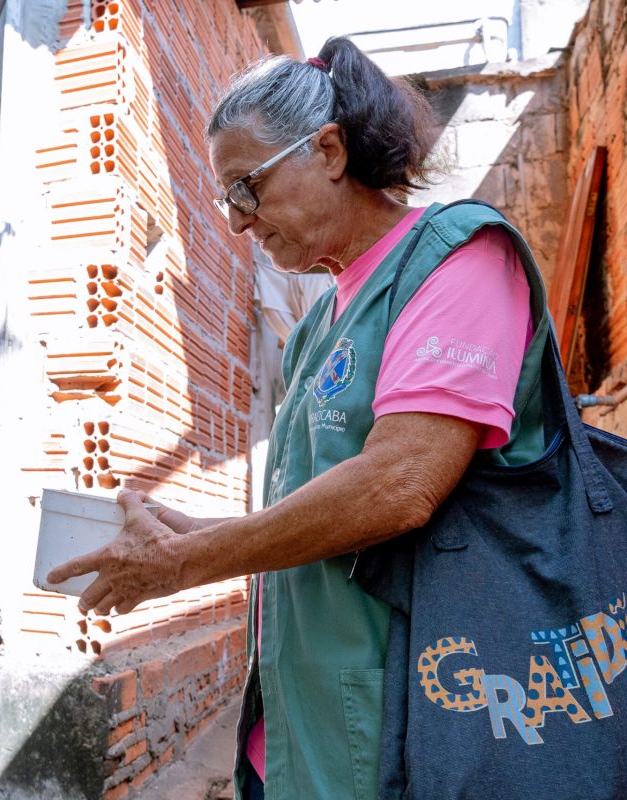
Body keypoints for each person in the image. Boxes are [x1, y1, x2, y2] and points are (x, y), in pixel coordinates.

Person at [47, 38, 548, 800]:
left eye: (245, 189)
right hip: (294, 720)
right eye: (227, 201)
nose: (238, 223)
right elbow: (310, 512)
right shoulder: (320, 323)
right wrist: (171, 531)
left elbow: (398, 485)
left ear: (330, 150)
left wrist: (188, 563)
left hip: (410, 714)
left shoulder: (460, 259)